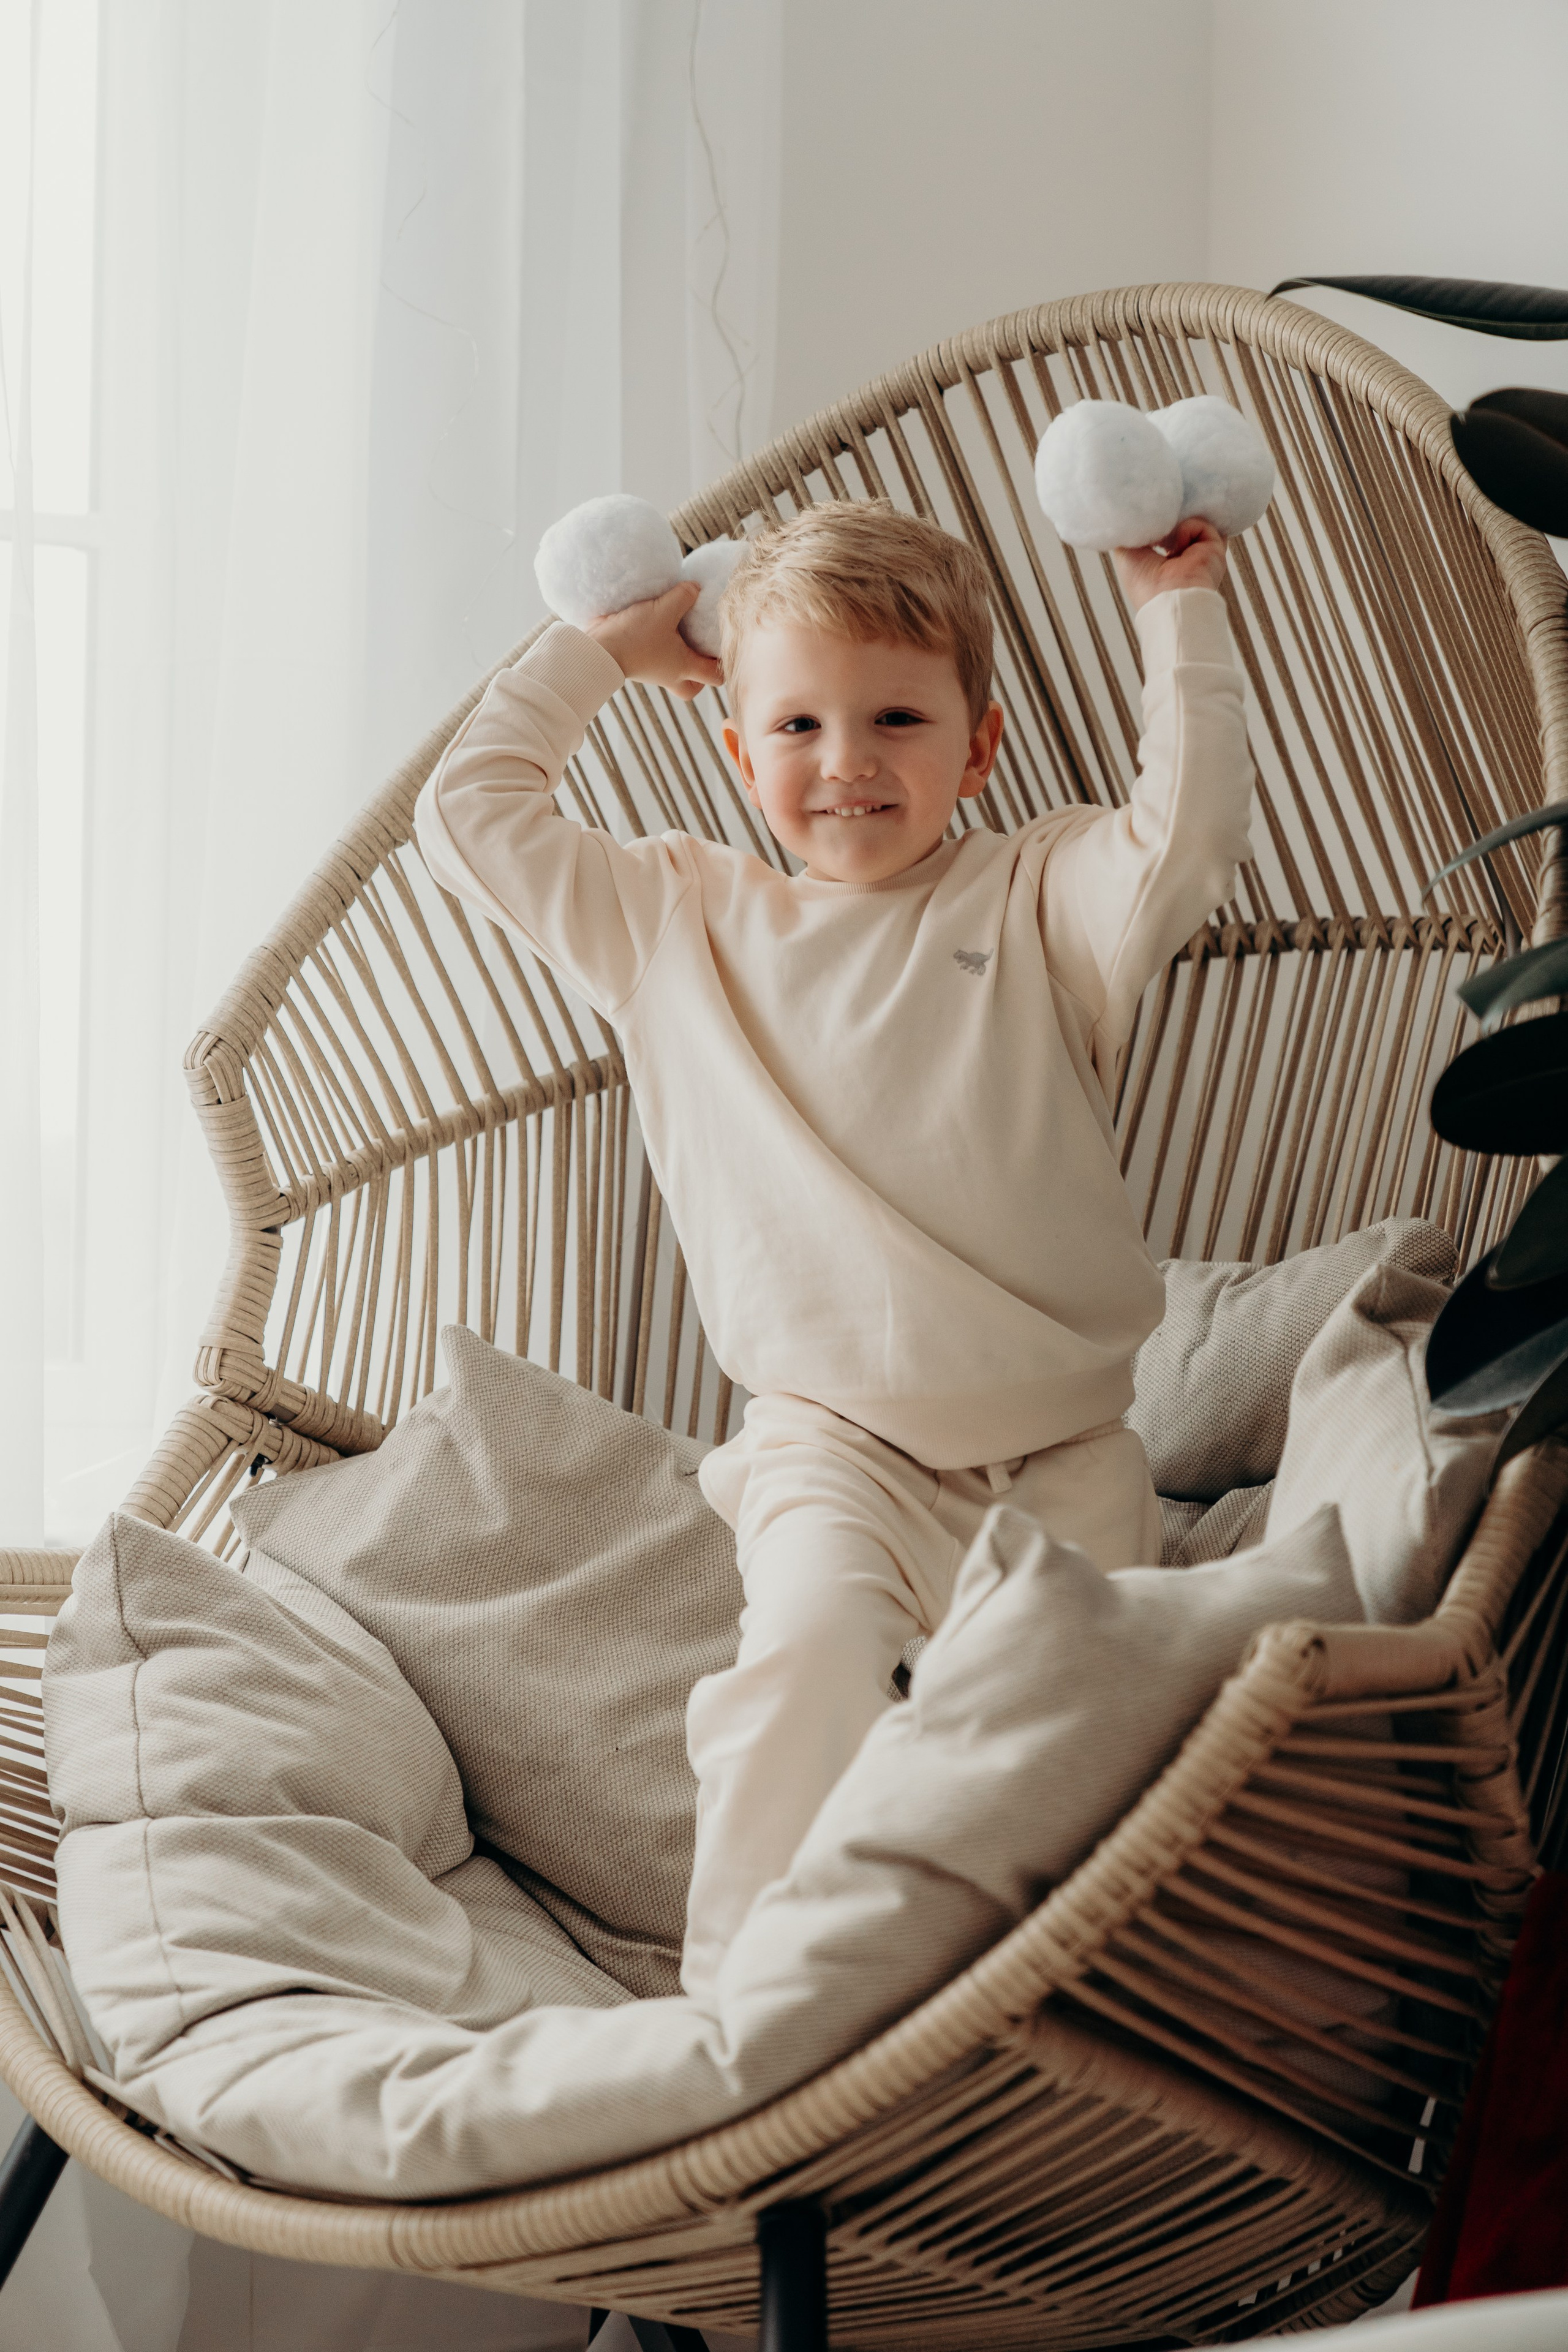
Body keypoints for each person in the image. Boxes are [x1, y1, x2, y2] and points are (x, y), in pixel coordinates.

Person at [414, 498, 1253, 2002]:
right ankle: (742, 2025)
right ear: (736, 753)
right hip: (831, 1449)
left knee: (1075, 1728)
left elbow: (1181, 837)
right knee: (799, 1672)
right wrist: (597, 654)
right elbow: (469, 812)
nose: (847, 761)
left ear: (976, 748)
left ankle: (1019, 2020)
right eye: (794, 723)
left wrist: (1171, 609)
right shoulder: (672, 919)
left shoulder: (1041, 896)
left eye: (894, 718)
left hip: (1063, 1448)